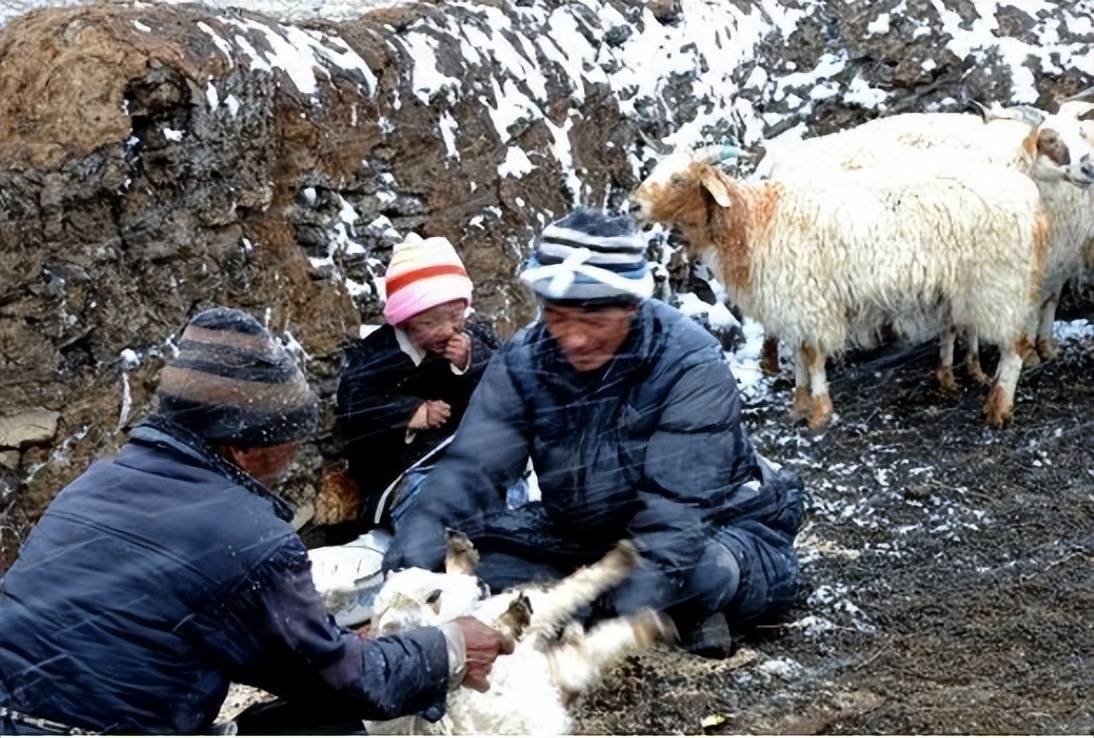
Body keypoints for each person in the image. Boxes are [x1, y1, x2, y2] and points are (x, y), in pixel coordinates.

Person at [0, 307, 512, 735]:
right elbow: (351, 683)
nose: (284, 466)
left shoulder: (94, 483)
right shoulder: (244, 536)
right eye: (283, 448)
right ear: (243, 445)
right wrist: (449, 648)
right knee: (326, 722)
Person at [383, 209, 804, 658]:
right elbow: (471, 472)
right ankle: (638, 612)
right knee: (474, 563)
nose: (574, 339)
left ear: (631, 306)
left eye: (594, 321)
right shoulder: (526, 359)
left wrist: (599, 631)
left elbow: (677, 516)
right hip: (580, 532)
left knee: (705, 573)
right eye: (558, 317)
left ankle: (668, 609)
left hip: (713, 525)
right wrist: (405, 581)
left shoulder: (688, 363)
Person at [336, 233, 519, 530]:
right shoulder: (378, 356)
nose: (447, 330)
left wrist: (467, 364)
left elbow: (505, 378)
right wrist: (409, 413)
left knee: (503, 490)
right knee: (431, 509)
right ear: (404, 321)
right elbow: (354, 403)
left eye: (455, 317)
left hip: (469, 454)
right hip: (403, 469)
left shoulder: (474, 338)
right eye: (430, 322)